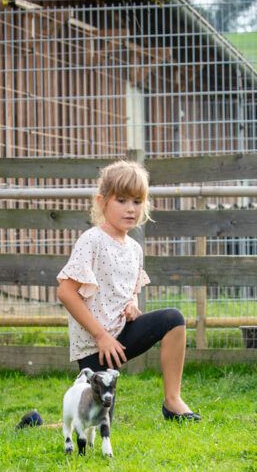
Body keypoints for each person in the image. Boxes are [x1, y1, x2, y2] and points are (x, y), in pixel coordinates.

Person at [56, 161, 200, 421]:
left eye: (137, 201)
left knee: (173, 319)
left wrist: (132, 303)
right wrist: (101, 336)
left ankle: (173, 401)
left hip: (121, 335)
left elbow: (128, 289)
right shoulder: (92, 240)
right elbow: (66, 293)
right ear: (102, 202)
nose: (131, 208)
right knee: (95, 422)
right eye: (121, 200)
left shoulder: (134, 248)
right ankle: (35, 425)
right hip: (96, 345)